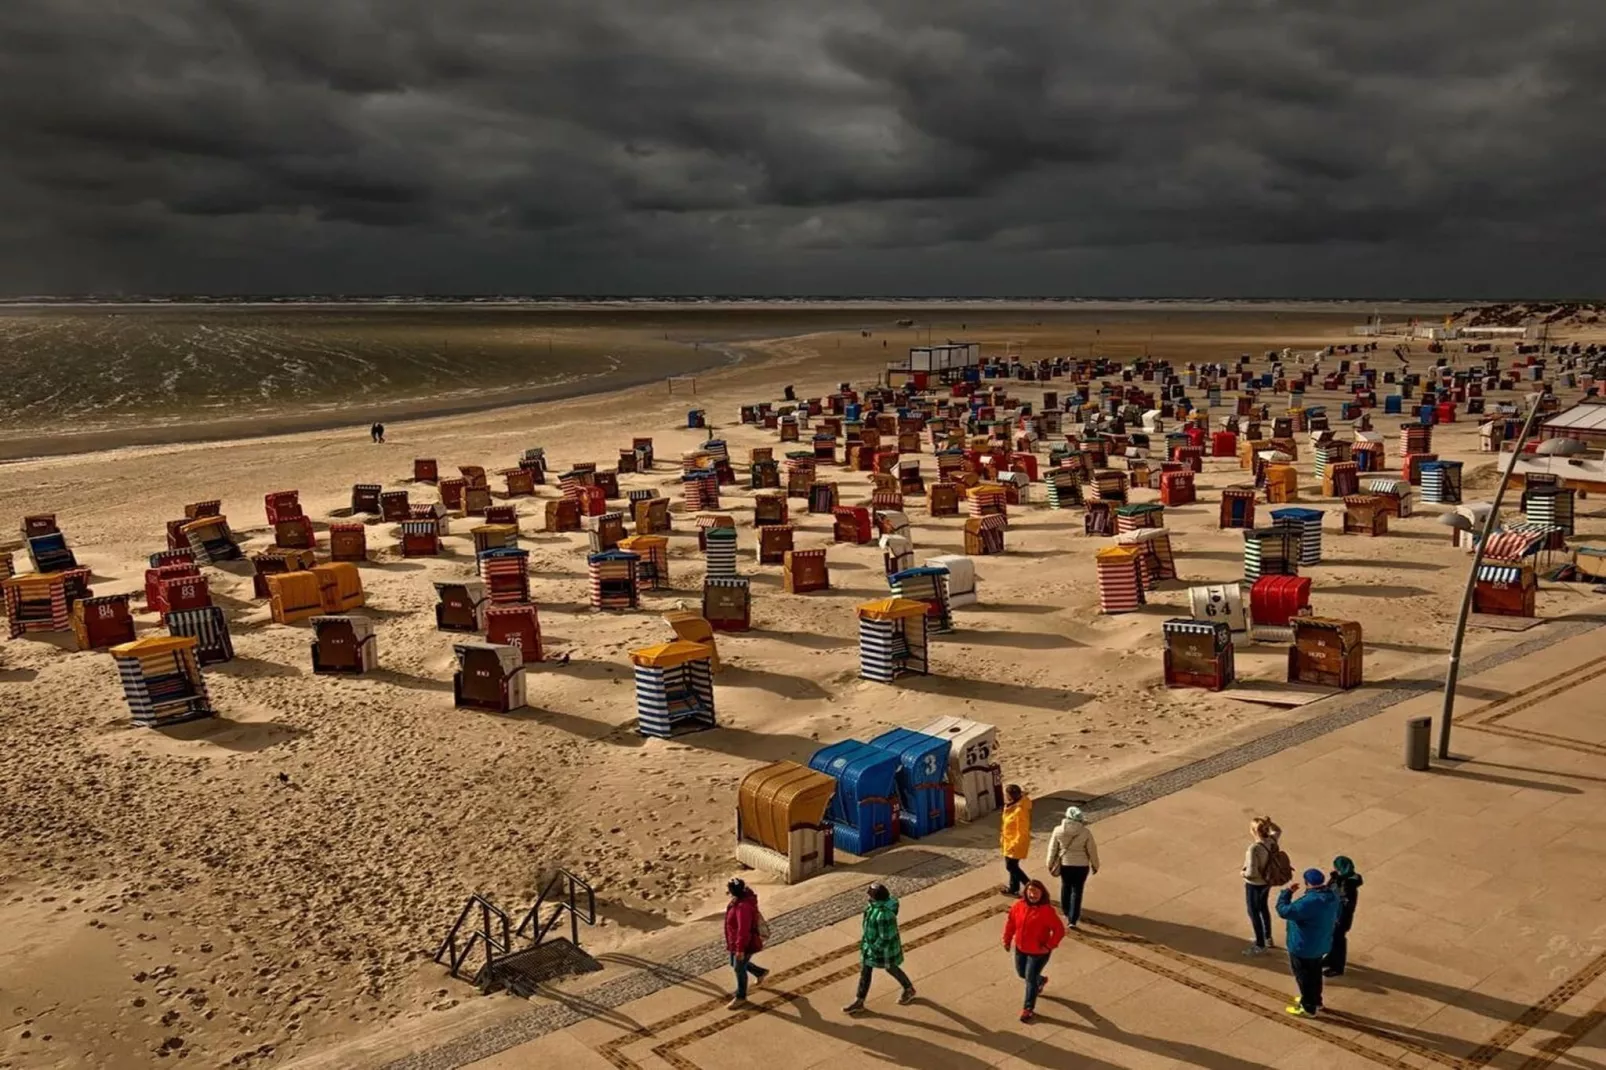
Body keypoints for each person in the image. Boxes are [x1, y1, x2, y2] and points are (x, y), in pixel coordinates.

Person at [1277, 868, 1342, 1018]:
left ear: (1307, 882)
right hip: (1321, 943)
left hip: (1303, 946)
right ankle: (1316, 1001)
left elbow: (1284, 911)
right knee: (1315, 974)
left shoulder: (1309, 902)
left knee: (1303, 976)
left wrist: (1286, 893)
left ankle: (1308, 1007)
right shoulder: (1331, 896)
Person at [843, 883, 916, 1014]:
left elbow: (885, 937)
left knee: (891, 968)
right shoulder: (875, 907)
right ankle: (859, 1001)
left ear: (877, 898)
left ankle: (908, 988)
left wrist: (873, 948)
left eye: (870, 896)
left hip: (882, 950)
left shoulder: (884, 914)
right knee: (866, 971)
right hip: (871, 946)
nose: (868, 898)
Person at [1002, 879, 1065, 1022]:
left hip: (1039, 952)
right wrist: (1007, 940)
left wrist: (1049, 946)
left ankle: (1028, 1008)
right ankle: (1041, 980)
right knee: (1021, 973)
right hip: (1021, 948)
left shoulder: (1047, 911)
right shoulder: (1018, 906)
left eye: (1036, 892)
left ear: (1042, 894)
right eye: (1030, 891)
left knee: (1030, 979)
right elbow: (1011, 923)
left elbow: (1059, 930)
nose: (1033, 895)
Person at [1045, 805, 1099, 926]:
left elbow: (1053, 848)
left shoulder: (1058, 830)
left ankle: (1065, 911)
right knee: (1077, 891)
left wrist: (1049, 863)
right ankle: (1073, 919)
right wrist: (1095, 865)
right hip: (1082, 866)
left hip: (1066, 864)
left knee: (1066, 887)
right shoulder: (1085, 832)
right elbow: (1092, 850)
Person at [722, 878, 768, 1009]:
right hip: (734, 941)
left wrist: (740, 949)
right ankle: (760, 972)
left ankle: (741, 996)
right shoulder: (739, 901)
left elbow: (744, 930)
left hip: (743, 943)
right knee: (733, 963)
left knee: (739, 968)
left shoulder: (743, 907)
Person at [1241, 816, 1285, 955]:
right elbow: (1278, 830)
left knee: (1253, 912)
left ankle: (1259, 944)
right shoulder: (1271, 841)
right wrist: (1270, 823)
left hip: (1255, 884)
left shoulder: (1253, 849)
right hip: (1268, 881)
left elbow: (1252, 873)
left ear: (1253, 831)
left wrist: (1242, 873)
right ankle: (1267, 937)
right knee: (1263, 908)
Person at [1324, 856, 1364, 977]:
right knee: (1332, 938)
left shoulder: (1348, 883)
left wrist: (1338, 880)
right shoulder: (1341, 879)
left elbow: (1342, 898)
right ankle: (1330, 958)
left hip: (1341, 917)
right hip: (1334, 915)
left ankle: (1337, 966)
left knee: (1338, 940)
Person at [999, 785, 1033, 897]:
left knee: (1011, 866)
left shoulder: (1019, 811)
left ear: (1010, 796)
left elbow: (1022, 831)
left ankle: (1030, 886)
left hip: (1015, 843)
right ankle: (1014, 888)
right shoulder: (1012, 806)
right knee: (1012, 866)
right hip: (1008, 841)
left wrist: (1014, 844)